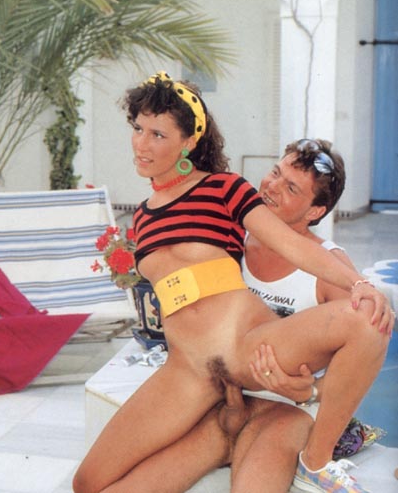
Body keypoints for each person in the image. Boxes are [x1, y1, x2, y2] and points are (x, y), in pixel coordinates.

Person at [72, 72, 393, 493]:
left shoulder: (224, 189)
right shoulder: (144, 218)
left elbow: (293, 246)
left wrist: (359, 285)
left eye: (157, 134)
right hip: (189, 373)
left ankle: (315, 460)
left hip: (247, 350)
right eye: (138, 128)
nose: (141, 144)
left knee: (368, 318)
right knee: (88, 482)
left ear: (188, 143)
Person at [121, 139, 361, 493]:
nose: (272, 187)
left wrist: (311, 391)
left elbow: (360, 360)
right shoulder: (229, 236)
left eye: (291, 188)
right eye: (275, 173)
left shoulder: (329, 266)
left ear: (315, 211)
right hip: (222, 398)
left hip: (284, 410)